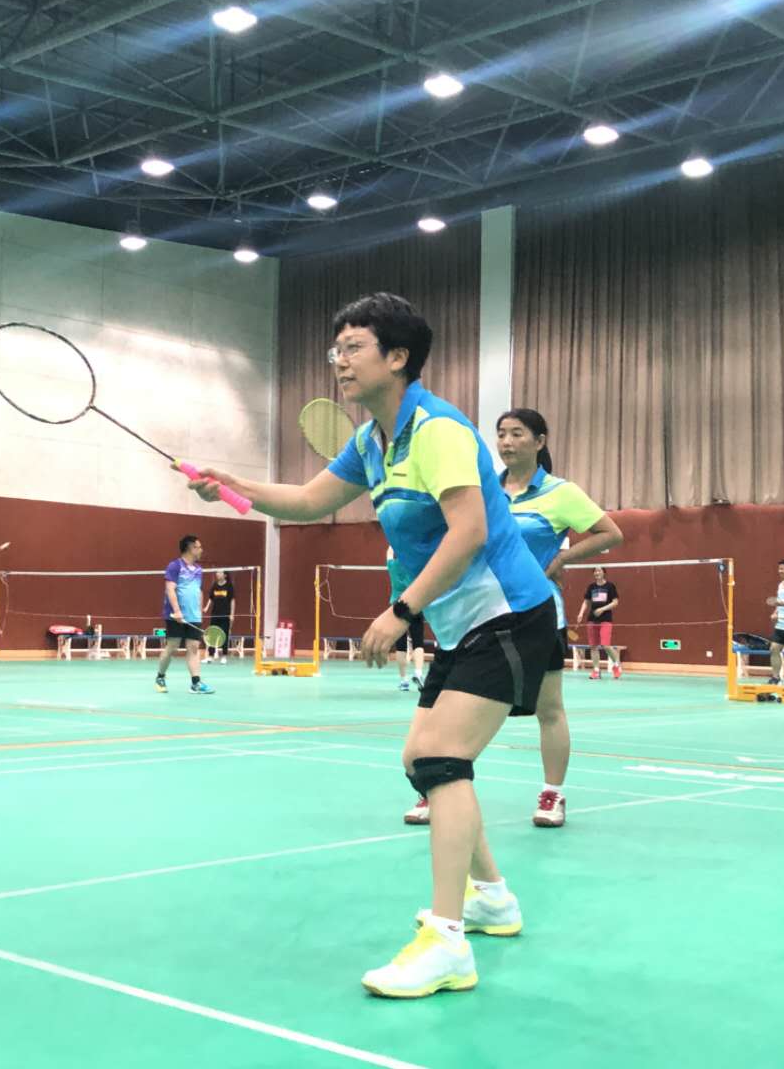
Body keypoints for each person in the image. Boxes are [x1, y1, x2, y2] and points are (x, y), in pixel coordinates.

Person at [187, 292, 556, 998]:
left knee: (442, 759)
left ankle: (447, 942)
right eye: (337, 349)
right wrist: (235, 486)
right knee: (421, 760)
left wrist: (401, 610)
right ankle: (492, 898)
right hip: (461, 622)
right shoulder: (372, 441)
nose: (340, 361)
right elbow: (308, 501)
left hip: (508, 611)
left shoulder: (438, 431)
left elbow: (470, 531)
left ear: (398, 357)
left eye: (354, 347)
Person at [407, 409, 623, 830]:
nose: (506, 442)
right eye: (501, 434)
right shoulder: (485, 490)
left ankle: (553, 793)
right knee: (450, 705)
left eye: (517, 434)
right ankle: (436, 787)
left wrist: (561, 558)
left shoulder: (561, 492)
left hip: (536, 616)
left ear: (540, 441)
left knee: (549, 708)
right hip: (478, 615)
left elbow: (610, 533)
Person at [156, 536, 215, 694]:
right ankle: (160, 677)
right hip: (175, 615)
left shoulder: (198, 569)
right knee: (172, 646)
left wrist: (199, 611)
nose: (201, 550)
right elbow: (170, 589)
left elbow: (198, 590)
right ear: (191, 548)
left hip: (193, 616)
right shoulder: (175, 566)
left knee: (193, 647)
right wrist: (177, 611)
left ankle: (196, 683)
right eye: (199, 547)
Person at [387, 546, 426, 693]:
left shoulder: (392, 566)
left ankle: (403, 680)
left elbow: (389, 552)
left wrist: (393, 543)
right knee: (418, 642)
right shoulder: (413, 567)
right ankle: (418, 673)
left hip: (397, 606)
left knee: (401, 646)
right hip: (414, 604)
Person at [576, 567, 622, 679]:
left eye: (599, 570)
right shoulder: (591, 587)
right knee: (593, 646)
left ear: (604, 573)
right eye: (595, 571)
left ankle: (616, 665)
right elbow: (586, 602)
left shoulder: (610, 586)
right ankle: (596, 670)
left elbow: (615, 602)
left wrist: (602, 609)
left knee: (606, 645)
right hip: (592, 619)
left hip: (606, 619)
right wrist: (581, 613)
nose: (597, 573)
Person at [205, 569, 235, 665]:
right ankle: (210, 656)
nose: (217, 574)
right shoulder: (214, 585)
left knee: (224, 635)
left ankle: (224, 656)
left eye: (219, 572)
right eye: (217, 572)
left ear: (225, 575)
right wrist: (206, 607)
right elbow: (211, 598)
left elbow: (232, 600)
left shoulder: (229, 586)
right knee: (212, 634)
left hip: (225, 614)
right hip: (215, 614)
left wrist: (232, 614)